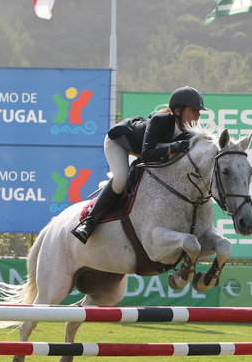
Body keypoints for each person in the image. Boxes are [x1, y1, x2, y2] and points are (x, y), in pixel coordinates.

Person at [70, 86, 205, 244]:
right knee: (121, 179)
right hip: (120, 142)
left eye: (199, 111)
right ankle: (89, 222)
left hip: (143, 150)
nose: (197, 115)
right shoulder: (160, 121)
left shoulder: (189, 134)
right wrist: (172, 148)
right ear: (177, 110)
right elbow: (147, 155)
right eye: (193, 110)